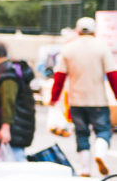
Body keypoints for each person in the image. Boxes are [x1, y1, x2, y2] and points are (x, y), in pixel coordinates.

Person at [50, 16, 117, 171]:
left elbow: (59, 77)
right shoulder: (102, 47)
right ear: (94, 31)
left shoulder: (68, 49)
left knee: (81, 134)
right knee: (103, 130)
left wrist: (54, 98)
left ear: (78, 31)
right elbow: (113, 74)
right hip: (98, 100)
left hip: (76, 101)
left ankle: (85, 169)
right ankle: (100, 153)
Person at [0, 41, 36, 163]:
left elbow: (8, 101)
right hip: (17, 126)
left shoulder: (7, 74)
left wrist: (6, 127)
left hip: (15, 128)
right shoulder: (8, 70)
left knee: (15, 162)